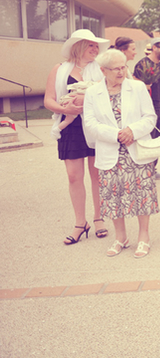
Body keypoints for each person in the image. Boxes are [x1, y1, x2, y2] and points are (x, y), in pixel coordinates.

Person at [83, 49, 159, 258]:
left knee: (142, 193)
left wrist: (132, 131)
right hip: (110, 151)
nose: (121, 72)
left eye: (123, 67)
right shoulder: (92, 93)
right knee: (114, 195)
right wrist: (116, 134)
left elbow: (150, 117)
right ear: (103, 70)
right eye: (116, 68)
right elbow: (90, 123)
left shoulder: (137, 87)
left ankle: (143, 237)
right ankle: (121, 237)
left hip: (136, 149)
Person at [44, 29, 108, 244]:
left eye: (97, 46)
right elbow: (49, 100)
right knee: (73, 176)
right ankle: (80, 223)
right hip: (70, 127)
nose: (95, 49)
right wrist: (68, 111)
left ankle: (99, 218)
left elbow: (108, 96)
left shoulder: (100, 70)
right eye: (91, 45)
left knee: (97, 175)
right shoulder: (59, 69)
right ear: (78, 46)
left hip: (93, 124)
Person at [133, 37, 160, 180]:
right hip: (144, 107)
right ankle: (143, 170)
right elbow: (135, 86)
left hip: (157, 106)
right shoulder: (142, 64)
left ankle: (153, 169)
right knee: (146, 138)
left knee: (157, 137)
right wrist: (144, 87)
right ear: (154, 47)